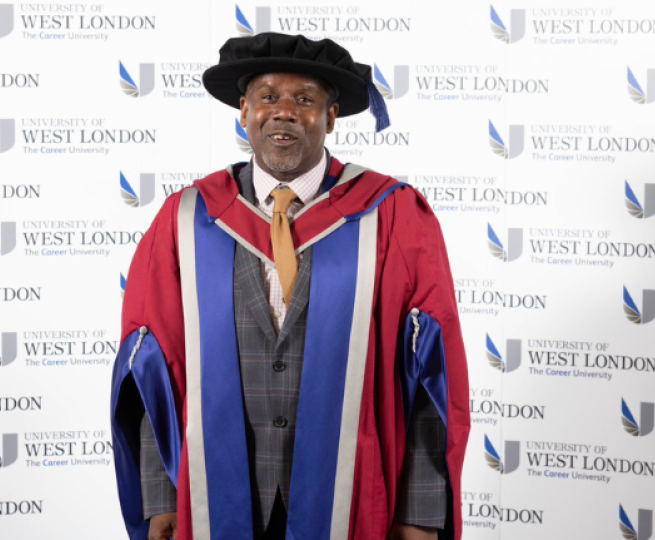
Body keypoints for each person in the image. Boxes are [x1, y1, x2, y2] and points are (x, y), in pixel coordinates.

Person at [110, 32, 469, 540]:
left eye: (304, 99)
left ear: (331, 116)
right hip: (216, 496)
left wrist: (420, 513)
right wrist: (159, 496)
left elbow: (430, 380)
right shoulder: (187, 220)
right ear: (243, 111)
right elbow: (150, 369)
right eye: (268, 96)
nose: (284, 112)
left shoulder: (392, 216)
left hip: (350, 495)